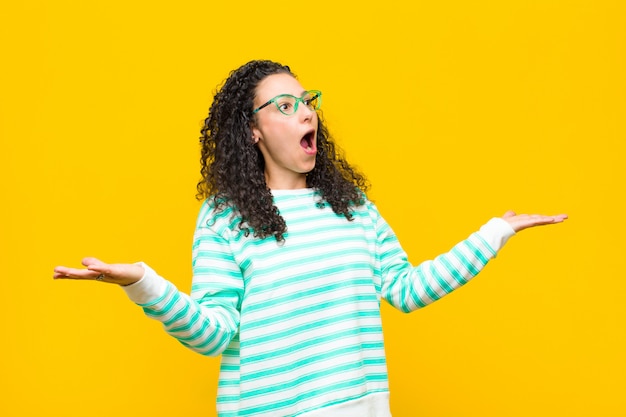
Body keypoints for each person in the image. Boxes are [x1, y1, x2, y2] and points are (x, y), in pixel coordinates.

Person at [53, 60, 567, 417]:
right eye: (283, 105)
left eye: (306, 101)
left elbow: (407, 290)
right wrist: (143, 283)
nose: (305, 112)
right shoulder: (224, 219)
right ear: (251, 131)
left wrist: (494, 233)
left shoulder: (351, 208)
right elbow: (212, 333)